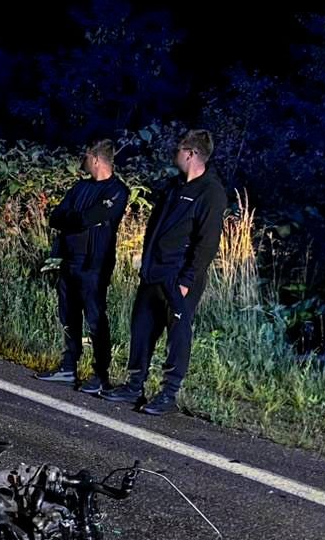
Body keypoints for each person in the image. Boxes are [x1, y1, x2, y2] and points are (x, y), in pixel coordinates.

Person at [103, 130, 226, 415]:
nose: (174, 154)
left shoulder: (211, 192)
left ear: (191, 153)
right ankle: (134, 385)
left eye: (179, 149)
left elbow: (207, 243)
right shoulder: (174, 185)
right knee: (142, 328)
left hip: (179, 277)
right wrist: (146, 266)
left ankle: (168, 393)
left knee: (178, 335)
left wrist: (186, 280)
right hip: (154, 272)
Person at [36, 140, 129, 393]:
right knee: (68, 313)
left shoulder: (117, 191)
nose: (83, 161)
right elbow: (56, 217)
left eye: (86, 156)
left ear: (96, 159)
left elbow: (90, 217)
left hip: (95, 264)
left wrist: (76, 218)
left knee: (95, 317)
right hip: (70, 260)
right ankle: (68, 366)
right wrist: (77, 219)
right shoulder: (80, 187)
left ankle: (101, 374)